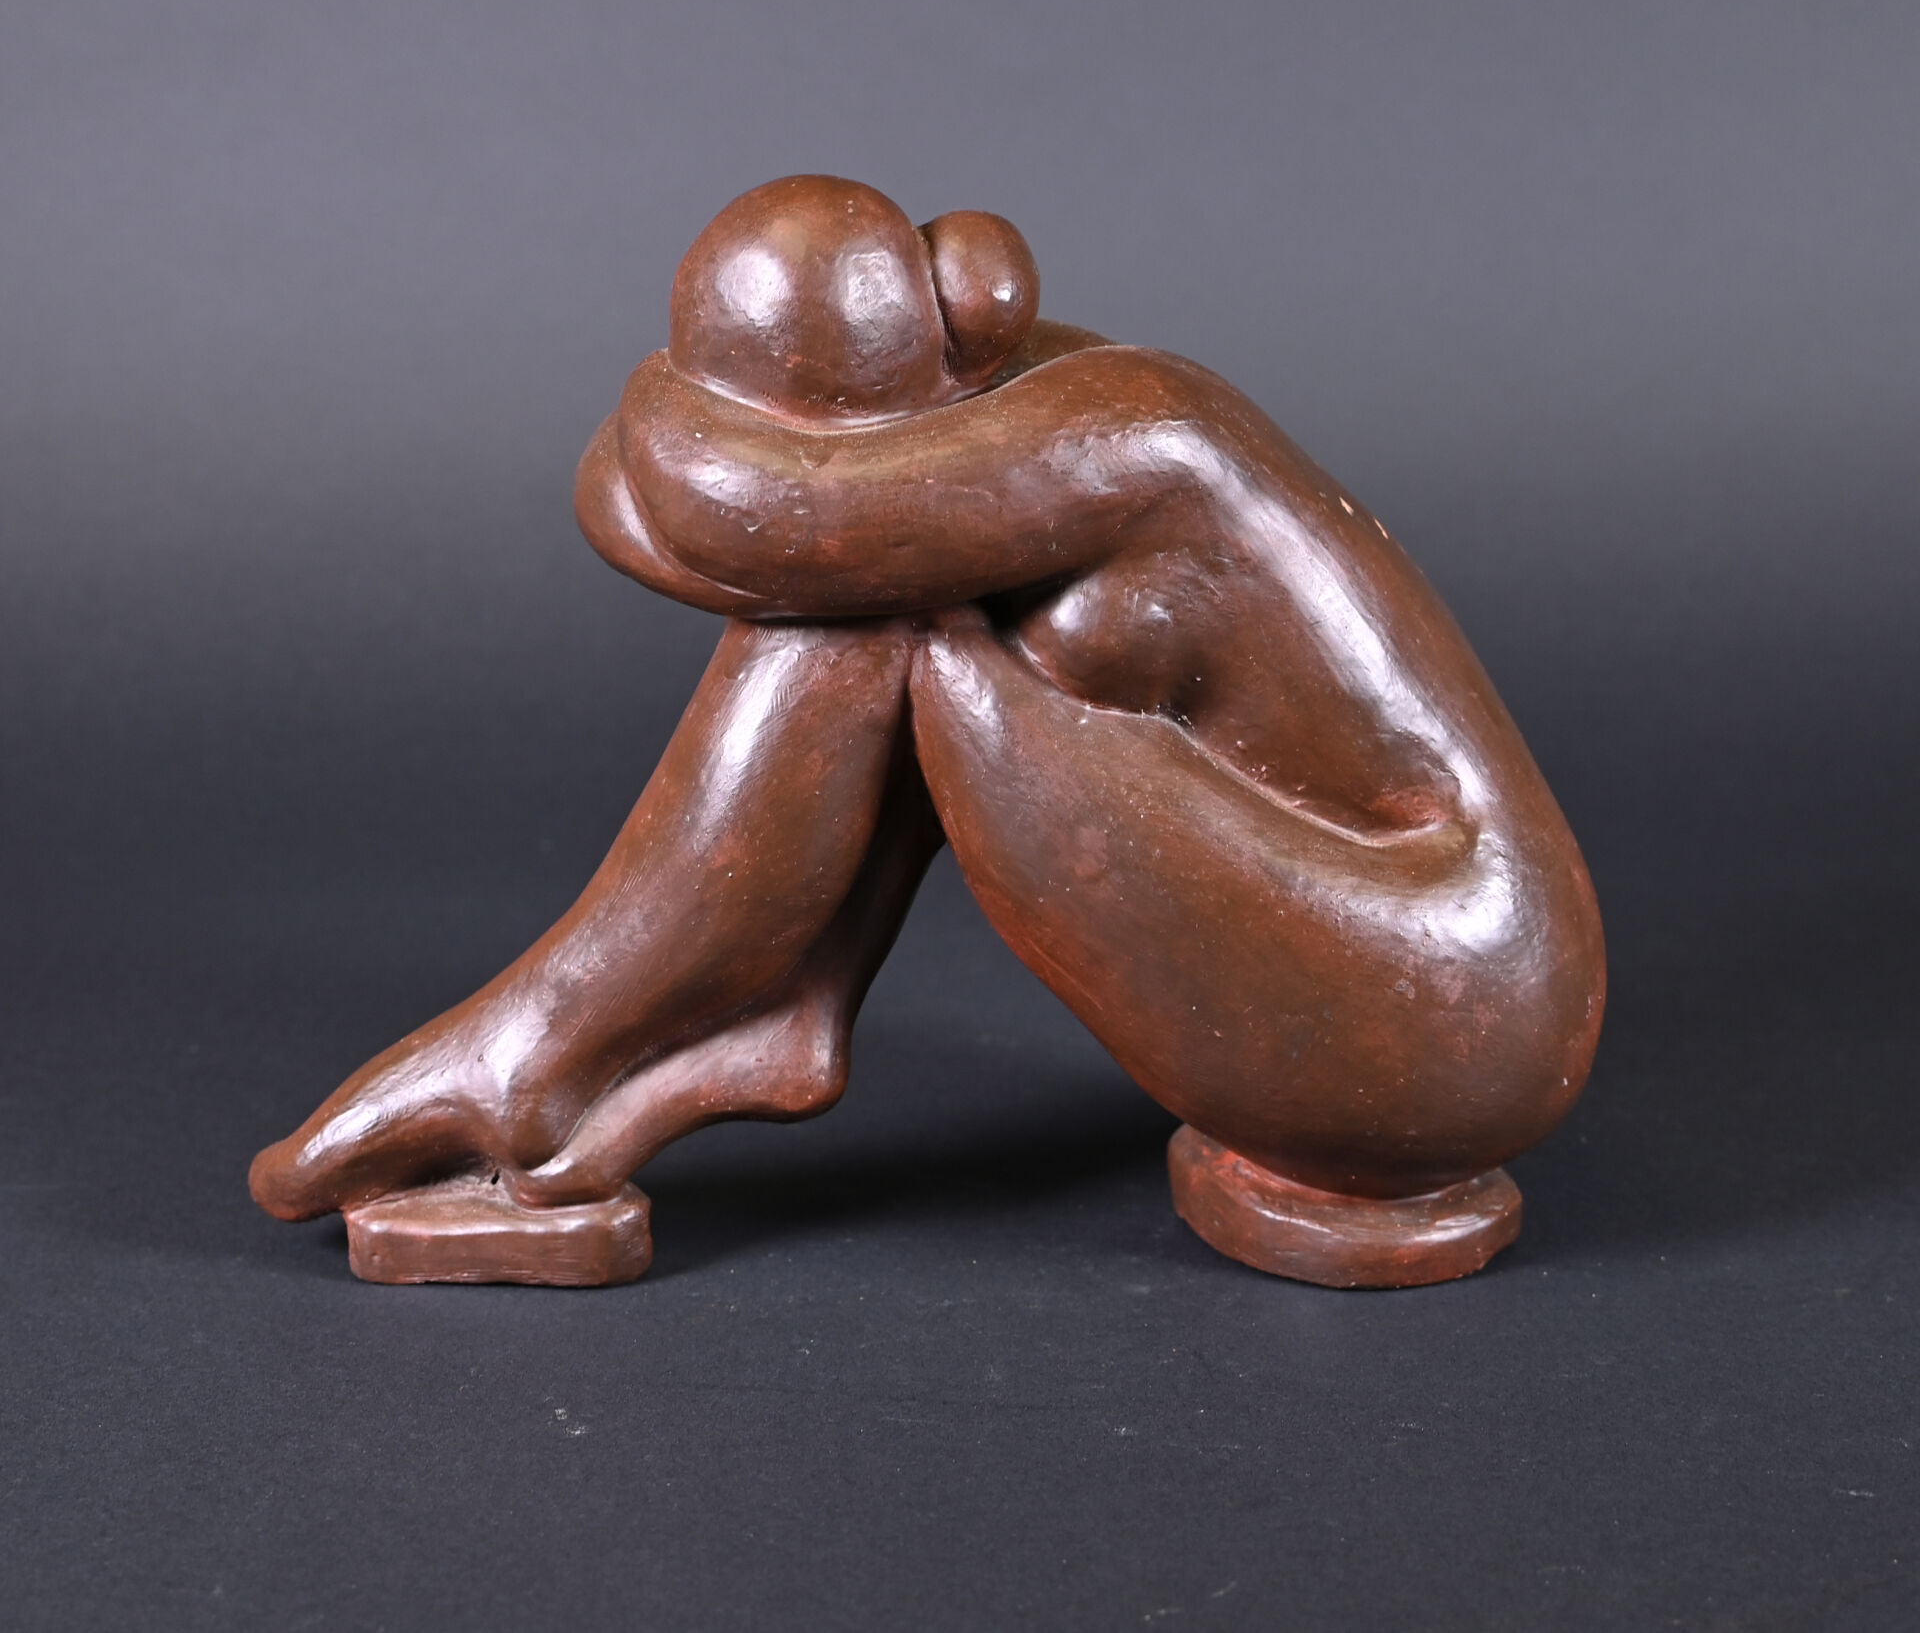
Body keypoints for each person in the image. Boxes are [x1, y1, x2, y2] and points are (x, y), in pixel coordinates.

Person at [251, 176, 1604, 1286]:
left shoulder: (1140, 434)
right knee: (877, 608)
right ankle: (613, 1039)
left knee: (892, 628)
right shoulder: (1013, 403)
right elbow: (647, 495)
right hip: (1426, 980)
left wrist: (673, 409)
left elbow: (719, 510)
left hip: (1449, 1001)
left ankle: (562, 1052)